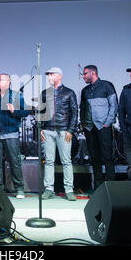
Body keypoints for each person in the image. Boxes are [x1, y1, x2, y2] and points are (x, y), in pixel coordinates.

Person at [0, 73, 29, 198]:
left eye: (1, 80)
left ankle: (19, 189)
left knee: (14, 162)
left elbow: (25, 112)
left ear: (8, 82)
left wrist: (15, 111)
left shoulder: (16, 96)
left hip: (11, 134)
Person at [39, 67, 78, 201]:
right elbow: (40, 112)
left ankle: (69, 189)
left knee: (66, 161)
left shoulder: (69, 93)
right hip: (48, 131)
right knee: (49, 161)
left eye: (51, 75)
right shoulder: (44, 93)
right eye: (48, 75)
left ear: (59, 76)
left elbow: (74, 112)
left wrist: (71, 130)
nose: (49, 78)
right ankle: (49, 189)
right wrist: (40, 130)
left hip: (63, 131)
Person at [80, 65, 118, 189]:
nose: (83, 76)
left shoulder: (107, 85)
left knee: (107, 157)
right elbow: (83, 108)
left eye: (85, 73)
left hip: (103, 126)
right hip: (90, 128)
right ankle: (98, 187)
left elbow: (114, 105)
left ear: (93, 73)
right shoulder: (85, 90)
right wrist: (84, 124)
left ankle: (111, 186)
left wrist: (107, 123)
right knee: (94, 158)